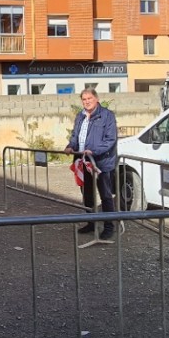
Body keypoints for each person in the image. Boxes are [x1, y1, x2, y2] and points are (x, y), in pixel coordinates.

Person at [64, 88, 119, 240]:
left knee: (105, 195)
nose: (87, 101)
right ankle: (92, 222)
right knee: (87, 194)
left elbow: (110, 140)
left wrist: (93, 151)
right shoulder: (80, 116)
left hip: (101, 162)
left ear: (96, 98)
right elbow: (75, 136)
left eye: (89, 98)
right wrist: (70, 146)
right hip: (83, 161)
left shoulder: (107, 116)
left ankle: (109, 227)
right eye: (84, 99)